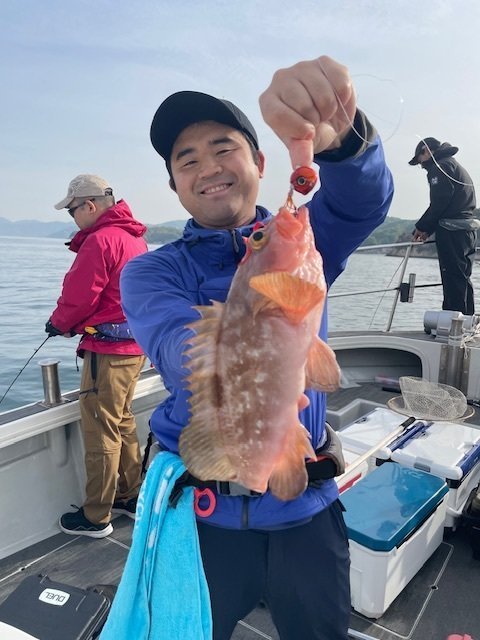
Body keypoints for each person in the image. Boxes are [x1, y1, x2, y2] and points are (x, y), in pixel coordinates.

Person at [120, 55, 394, 640]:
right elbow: (176, 348)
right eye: (187, 160)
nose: (208, 168)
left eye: (224, 148)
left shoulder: (306, 244)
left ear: (261, 162)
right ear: (175, 185)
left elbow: (362, 201)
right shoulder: (152, 272)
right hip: (200, 516)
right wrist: (261, 338)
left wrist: (341, 141)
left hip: (304, 505)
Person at [45, 174, 148, 538]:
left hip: (108, 352)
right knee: (122, 421)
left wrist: (58, 324)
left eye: (72, 210)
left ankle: (96, 515)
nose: (73, 217)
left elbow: (79, 296)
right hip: (135, 349)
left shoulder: (100, 240)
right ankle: (130, 496)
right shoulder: (134, 239)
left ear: (89, 206)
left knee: (101, 429)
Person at [409, 137, 478, 315]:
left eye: (419, 160)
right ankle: (467, 321)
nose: (421, 165)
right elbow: (448, 203)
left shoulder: (439, 167)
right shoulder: (453, 164)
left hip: (452, 232)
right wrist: (428, 229)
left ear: (426, 150)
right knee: (462, 278)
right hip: (467, 231)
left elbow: (440, 202)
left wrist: (422, 227)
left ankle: (453, 323)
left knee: (452, 278)